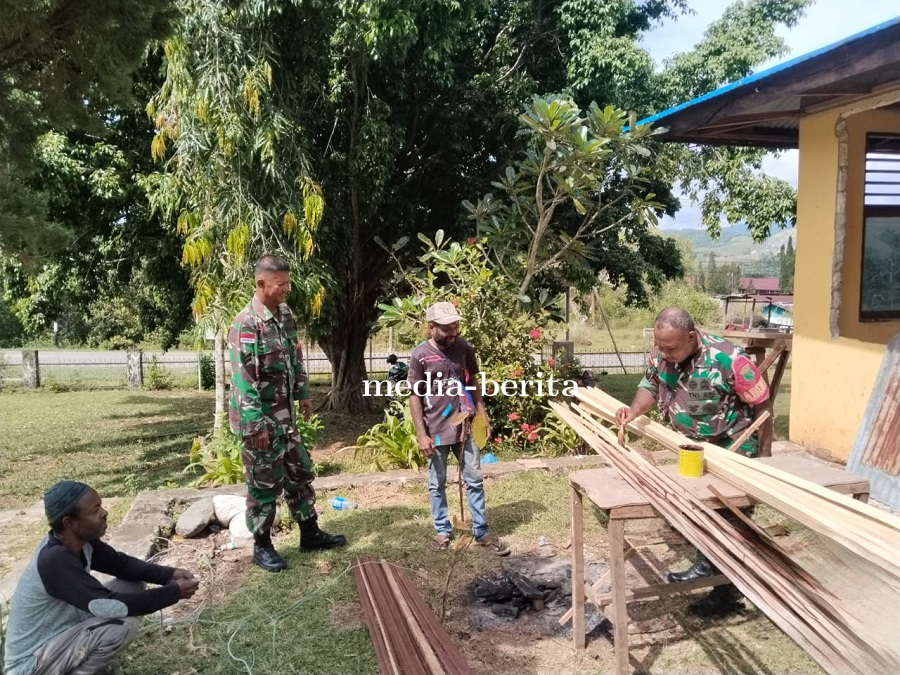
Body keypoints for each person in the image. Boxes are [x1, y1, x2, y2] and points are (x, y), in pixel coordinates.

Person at [616, 306, 773, 616]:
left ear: (691, 336)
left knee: (729, 519)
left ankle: (722, 588)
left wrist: (765, 459)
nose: (664, 352)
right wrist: (633, 411)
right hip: (691, 450)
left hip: (732, 450)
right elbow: (650, 385)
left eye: (671, 347)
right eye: (660, 346)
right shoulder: (663, 353)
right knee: (700, 511)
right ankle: (719, 576)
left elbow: (763, 405)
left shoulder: (728, 358)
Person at [3, 481, 200, 675]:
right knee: (121, 626)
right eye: (95, 510)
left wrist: (169, 574)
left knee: (133, 583)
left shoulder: (81, 542)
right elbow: (107, 606)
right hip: (31, 664)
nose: (104, 513)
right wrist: (173, 593)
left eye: (101, 506)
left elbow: (121, 565)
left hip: (62, 637)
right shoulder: (54, 559)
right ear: (69, 522)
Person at [228, 254, 346, 573]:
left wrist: (303, 395)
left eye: (287, 283)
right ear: (261, 283)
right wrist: (255, 426)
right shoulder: (246, 324)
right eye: (280, 284)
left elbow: (295, 358)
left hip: (285, 417)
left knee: (300, 472)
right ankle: (262, 546)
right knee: (264, 485)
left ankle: (310, 534)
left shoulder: (284, 315)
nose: (285, 289)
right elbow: (244, 380)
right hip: (260, 422)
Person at [408, 301, 510, 556]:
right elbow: (414, 396)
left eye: (455, 325)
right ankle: (442, 530)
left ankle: (481, 532)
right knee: (437, 482)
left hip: (465, 426)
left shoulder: (464, 347)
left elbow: (472, 381)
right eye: (447, 327)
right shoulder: (420, 355)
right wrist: (422, 434)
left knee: (474, 479)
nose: (453, 331)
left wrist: (482, 416)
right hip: (436, 429)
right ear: (432, 328)